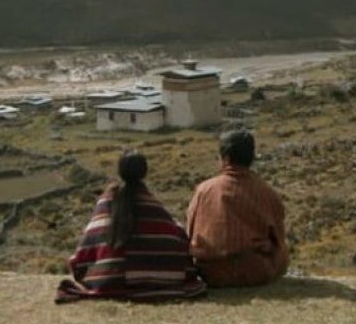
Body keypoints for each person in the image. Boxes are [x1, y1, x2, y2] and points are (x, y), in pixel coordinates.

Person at [55, 151, 206, 303]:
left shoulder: (106, 204)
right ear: (144, 172)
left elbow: (87, 246)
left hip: (108, 280)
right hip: (161, 280)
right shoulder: (154, 208)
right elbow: (176, 237)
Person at [187, 130, 288, 287]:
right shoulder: (266, 191)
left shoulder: (204, 190)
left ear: (225, 158)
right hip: (256, 272)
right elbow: (278, 238)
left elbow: (190, 230)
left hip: (211, 273)